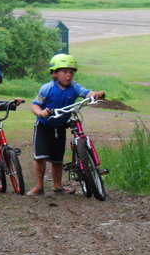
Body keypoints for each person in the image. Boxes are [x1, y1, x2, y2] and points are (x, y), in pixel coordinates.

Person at [26, 53, 105, 196]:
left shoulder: (74, 87)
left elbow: (86, 93)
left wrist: (95, 94)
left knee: (57, 159)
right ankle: (39, 186)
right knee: (40, 157)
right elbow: (35, 105)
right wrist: (40, 113)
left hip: (61, 127)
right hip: (44, 127)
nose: (68, 76)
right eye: (64, 72)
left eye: (71, 72)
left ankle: (58, 186)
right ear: (54, 73)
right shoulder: (47, 88)